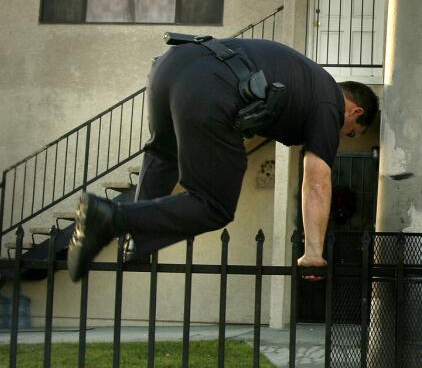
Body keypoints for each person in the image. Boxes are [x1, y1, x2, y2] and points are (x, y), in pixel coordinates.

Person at [66, 37, 378, 281]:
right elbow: (317, 181)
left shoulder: (308, 79)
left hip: (170, 67)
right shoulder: (330, 104)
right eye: (350, 133)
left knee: (164, 154)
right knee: (213, 204)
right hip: (212, 84)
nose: (342, 136)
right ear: (355, 112)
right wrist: (312, 252)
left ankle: (135, 239)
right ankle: (109, 218)